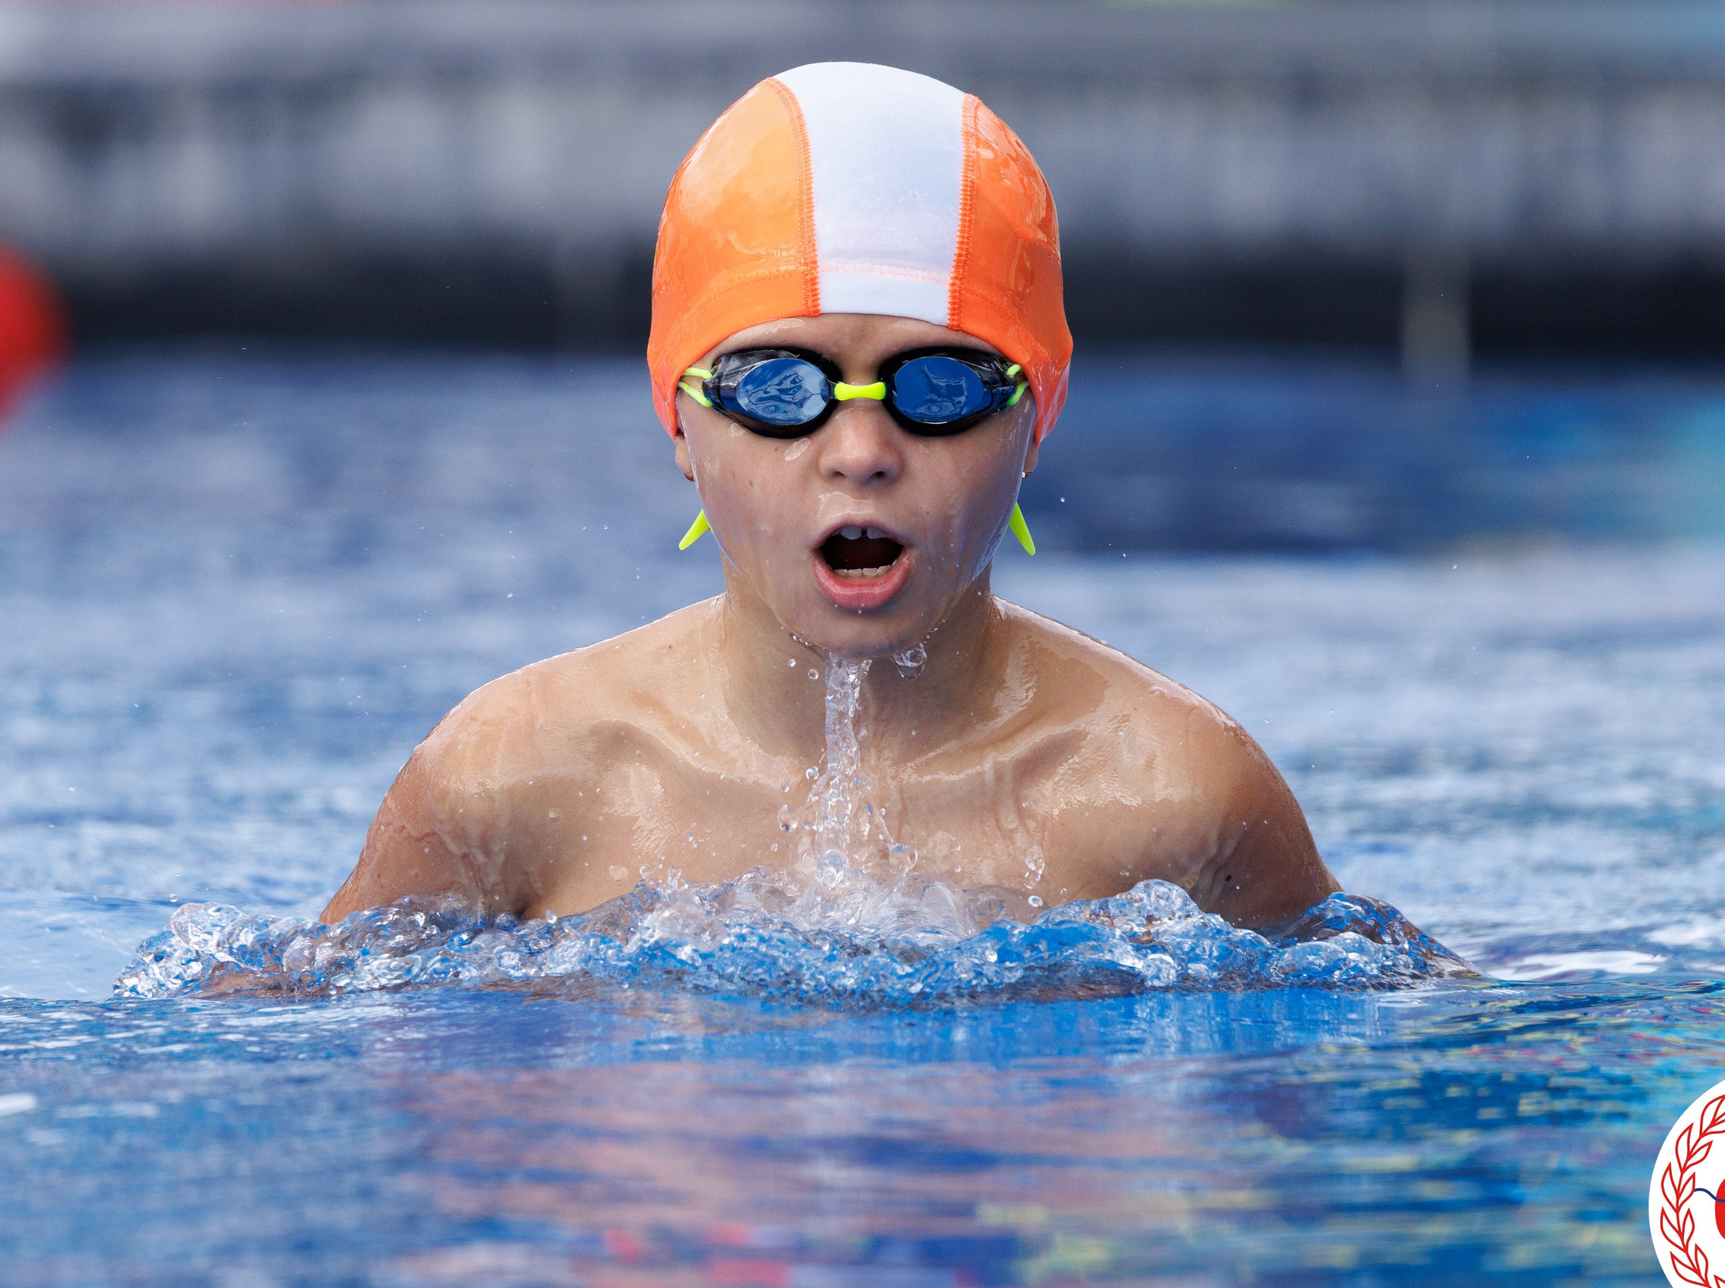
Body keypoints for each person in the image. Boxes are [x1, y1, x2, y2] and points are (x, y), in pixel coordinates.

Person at [321, 62, 1335, 934]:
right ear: (679, 419)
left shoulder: (1173, 793)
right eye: (779, 388)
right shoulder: (512, 780)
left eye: (938, 388)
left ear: (1038, 416)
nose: (859, 451)